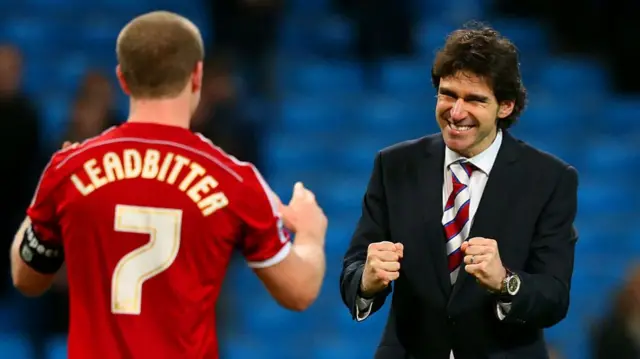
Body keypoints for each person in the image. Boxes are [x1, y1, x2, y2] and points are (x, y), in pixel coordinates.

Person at [9, 11, 327, 359]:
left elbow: (27, 278)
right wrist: (311, 232)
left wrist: (48, 190)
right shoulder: (234, 179)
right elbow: (299, 291)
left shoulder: (70, 169)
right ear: (197, 76)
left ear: (123, 79)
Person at [339, 22, 578, 359]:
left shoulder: (549, 178)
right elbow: (353, 271)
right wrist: (367, 279)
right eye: (448, 94)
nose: (456, 112)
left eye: (474, 100)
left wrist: (505, 281)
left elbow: (554, 296)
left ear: (505, 106)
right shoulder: (394, 165)